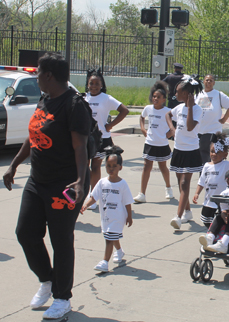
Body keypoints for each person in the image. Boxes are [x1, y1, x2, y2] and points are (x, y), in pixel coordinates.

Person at [3, 53, 91, 320]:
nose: (36, 76)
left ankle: (62, 299)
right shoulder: (45, 99)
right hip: (37, 180)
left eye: (38, 72)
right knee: (25, 233)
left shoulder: (74, 105)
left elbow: (81, 147)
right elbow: (34, 135)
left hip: (64, 185)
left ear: (49, 75)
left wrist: (79, 180)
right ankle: (48, 279)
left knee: (61, 241)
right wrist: (14, 164)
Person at [81, 146, 133, 273]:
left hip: (118, 216)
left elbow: (127, 202)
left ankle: (104, 262)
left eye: (114, 166)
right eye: (108, 165)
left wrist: (129, 216)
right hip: (105, 216)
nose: (111, 168)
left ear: (120, 167)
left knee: (109, 238)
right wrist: (86, 205)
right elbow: (94, 197)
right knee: (110, 235)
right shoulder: (102, 182)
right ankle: (120, 252)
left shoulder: (122, 184)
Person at [84, 69, 129, 210]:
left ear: (102, 85)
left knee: (95, 167)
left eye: (97, 83)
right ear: (87, 84)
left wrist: (110, 125)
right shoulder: (84, 98)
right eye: (91, 83)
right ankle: (87, 194)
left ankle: (94, 196)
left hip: (102, 138)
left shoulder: (106, 98)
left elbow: (124, 110)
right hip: (85, 139)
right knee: (84, 167)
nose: (94, 86)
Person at [168, 75, 204, 230]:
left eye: (178, 92)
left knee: (184, 183)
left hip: (191, 151)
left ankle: (178, 216)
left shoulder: (197, 110)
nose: (175, 94)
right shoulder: (178, 108)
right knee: (179, 182)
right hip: (178, 150)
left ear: (188, 94)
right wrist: (172, 129)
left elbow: (190, 127)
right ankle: (188, 212)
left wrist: (189, 107)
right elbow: (168, 115)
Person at [133, 81, 175, 203]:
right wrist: (142, 128)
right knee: (147, 167)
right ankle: (142, 194)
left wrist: (169, 134)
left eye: (158, 97)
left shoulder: (168, 111)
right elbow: (142, 117)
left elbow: (176, 123)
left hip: (162, 144)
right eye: (154, 96)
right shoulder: (148, 108)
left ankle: (168, 188)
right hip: (149, 142)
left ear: (164, 99)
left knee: (163, 167)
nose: (155, 99)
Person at [199, 167, 229, 254]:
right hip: (228, 215)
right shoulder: (225, 194)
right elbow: (224, 209)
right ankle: (210, 237)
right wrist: (224, 215)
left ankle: (224, 244)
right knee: (218, 217)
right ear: (228, 182)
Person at [193, 132, 229, 227]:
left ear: (225, 154)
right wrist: (197, 193)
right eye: (212, 151)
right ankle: (211, 233)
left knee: (219, 222)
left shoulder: (226, 165)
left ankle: (213, 235)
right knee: (206, 221)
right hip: (208, 201)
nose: (213, 154)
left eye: (217, 152)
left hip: (221, 202)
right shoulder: (206, 166)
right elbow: (201, 181)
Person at [195, 74, 229, 164]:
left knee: (207, 155)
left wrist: (224, 119)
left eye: (211, 80)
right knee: (201, 155)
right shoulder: (198, 94)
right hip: (199, 131)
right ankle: (204, 174)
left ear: (214, 83)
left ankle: (206, 174)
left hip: (212, 130)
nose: (208, 82)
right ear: (203, 82)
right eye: (207, 80)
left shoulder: (218, 94)